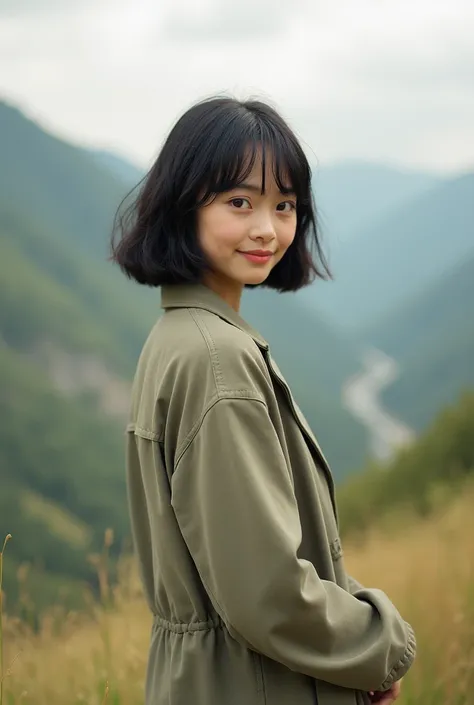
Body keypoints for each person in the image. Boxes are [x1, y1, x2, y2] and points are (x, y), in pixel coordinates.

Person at [111, 96, 416, 705]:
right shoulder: (216, 357)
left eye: (285, 205)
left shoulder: (175, 338)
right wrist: (381, 649)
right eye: (239, 202)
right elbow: (265, 590)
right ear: (183, 205)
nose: (267, 229)